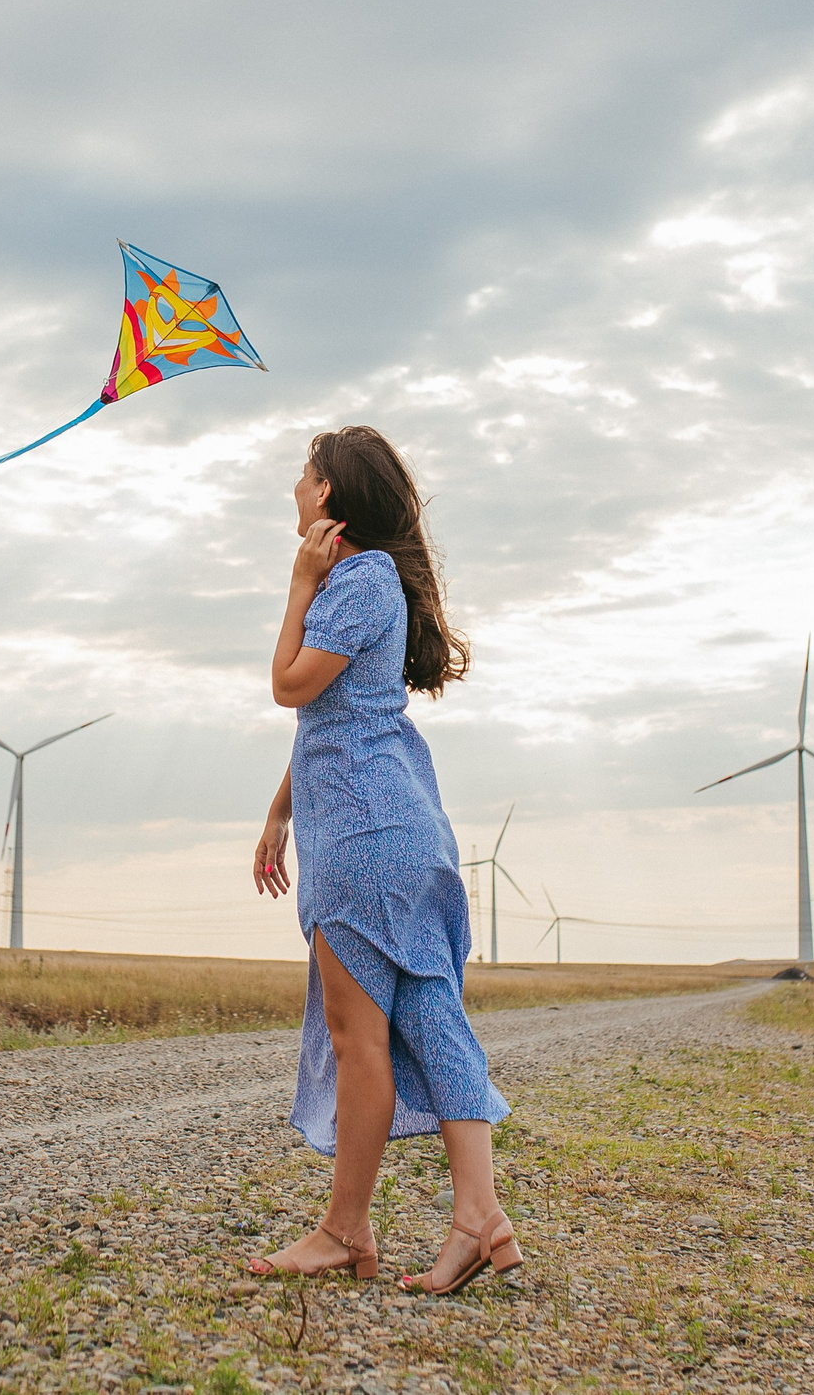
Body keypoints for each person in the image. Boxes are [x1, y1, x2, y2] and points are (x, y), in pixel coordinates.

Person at [247, 425, 523, 1296]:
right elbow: (342, 711)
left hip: (363, 836)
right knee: (433, 1019)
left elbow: (292, 684)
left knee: (356, 1035)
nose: (295, 485)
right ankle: (480, 1217)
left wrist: (298, 582)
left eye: (304, 473)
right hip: (400, 823)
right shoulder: (376, 585)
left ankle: (344, 1229)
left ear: (328, 496)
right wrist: (281, 808)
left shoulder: (350, 582)